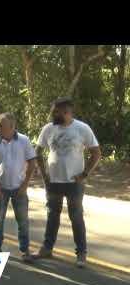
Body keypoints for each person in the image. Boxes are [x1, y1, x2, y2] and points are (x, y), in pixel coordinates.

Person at [34, 97, 101, 268]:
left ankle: (81, 254)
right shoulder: (48, 129)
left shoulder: (82, 128)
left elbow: (96, 153)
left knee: (76, 217)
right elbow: (38, 151)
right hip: (53, 182)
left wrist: (85, 174)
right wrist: (44, 175)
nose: (53, 114)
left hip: (74, 183)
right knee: (52, 215)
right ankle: (47, 248)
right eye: (53, 111)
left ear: (67, 112)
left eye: (56, 112)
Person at [0, 113, 36, 262]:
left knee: (23, 221)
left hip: (19, 188)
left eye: (1, 125)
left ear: (12, 127)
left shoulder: (24, 141)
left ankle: (25, 251)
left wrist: (25, 185)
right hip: (1, 189)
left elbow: (32, 163)